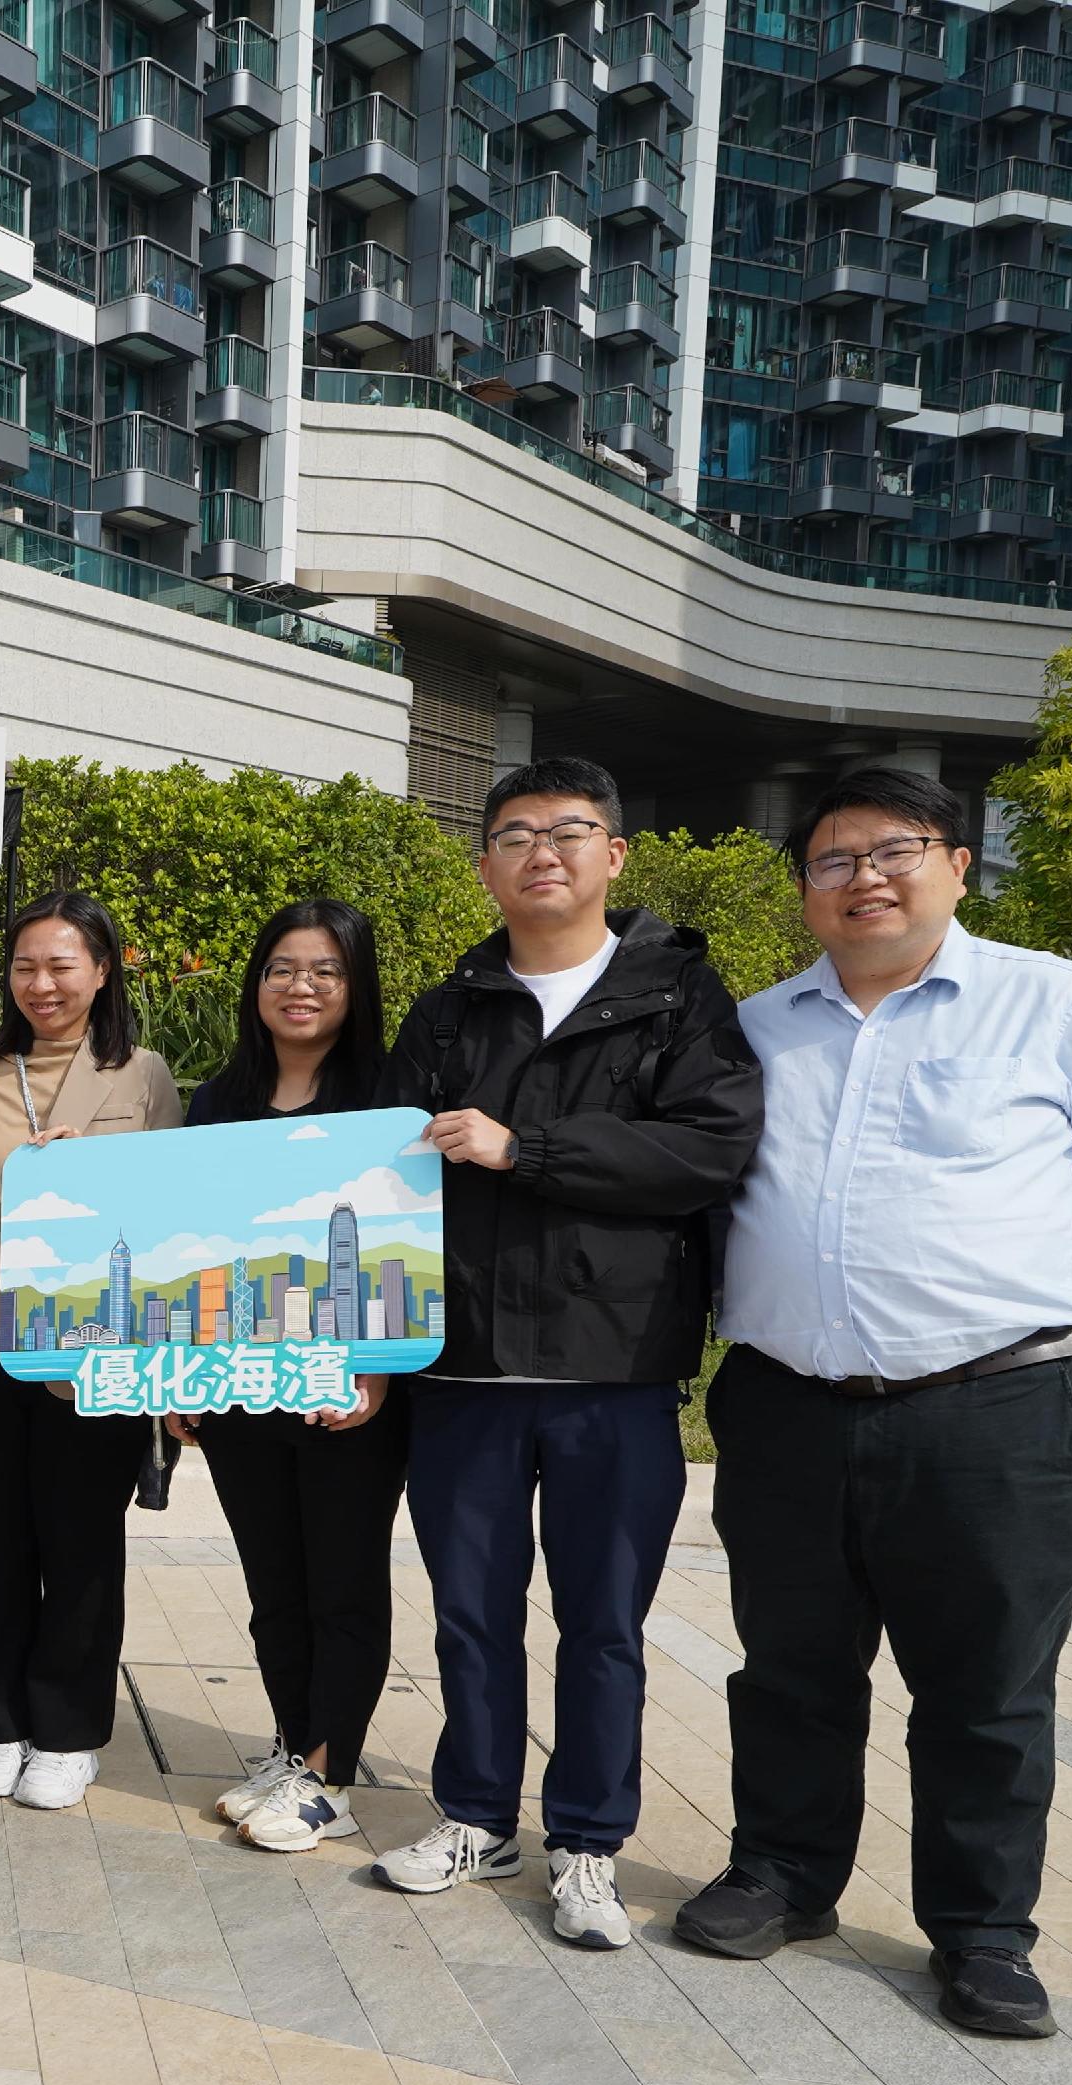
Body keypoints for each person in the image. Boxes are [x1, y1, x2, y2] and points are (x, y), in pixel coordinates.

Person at [678, 768, 1072, 2039]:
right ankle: (782, 1874)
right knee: (790, 1665)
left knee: (987, 1686)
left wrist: (1048, 1309)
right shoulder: (755, 1029)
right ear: (803, 889)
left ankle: (980, 1933)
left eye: (894, 850)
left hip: (996, 1415)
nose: (862, 878)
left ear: (957, 866)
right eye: (831, 860)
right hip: (787, 1407)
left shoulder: (1063, 1007)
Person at [371, 760, 763, 1948]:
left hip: (615, 1370)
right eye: (514, 835)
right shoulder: (449, 1010)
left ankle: (587, 1841)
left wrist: (524, 1149)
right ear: (485, 864)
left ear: (613, 854)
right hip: (464, 1370)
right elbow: (380, 1181)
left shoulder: (679, 998)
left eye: (568, 831)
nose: (541, 852)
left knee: (602, 1626)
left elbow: (708, 1151)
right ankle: (476, 1816)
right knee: (469, 1616)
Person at [0, 892, 175, 1811]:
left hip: (89, 1353)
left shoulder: (141, 1077)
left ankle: (67, 1732)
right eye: (25, 966)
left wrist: (92, 1178)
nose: (41, 983)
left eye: (62, 965)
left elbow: (169, 1212)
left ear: (102, 970)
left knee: (81, 1543)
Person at [179, 901, 415, 1854]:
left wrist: (378, 1371)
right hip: (238, 1384)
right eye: (282, 967)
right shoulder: (217, 1101)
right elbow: (191, 1241)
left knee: (341, 1582)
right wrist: (185, 1375)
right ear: (257, 983)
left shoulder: (389, 1100)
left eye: (325, 970)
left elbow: (409, 1242)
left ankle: (330, 1772)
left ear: (356, 987)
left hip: (347, 1391)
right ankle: (290, 1747)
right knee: (273, 1582)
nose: (301, 986)